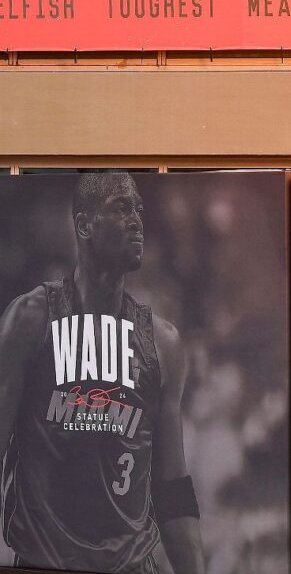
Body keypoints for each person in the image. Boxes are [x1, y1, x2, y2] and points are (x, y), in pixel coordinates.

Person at [0, 173, 204, 573]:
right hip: (45, 562)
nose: (137, 221)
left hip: (131, 565)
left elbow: (173, 488)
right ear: (83, 225)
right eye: (121, 208)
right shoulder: (31, 319)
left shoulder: (162, 342)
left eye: (140, 210)